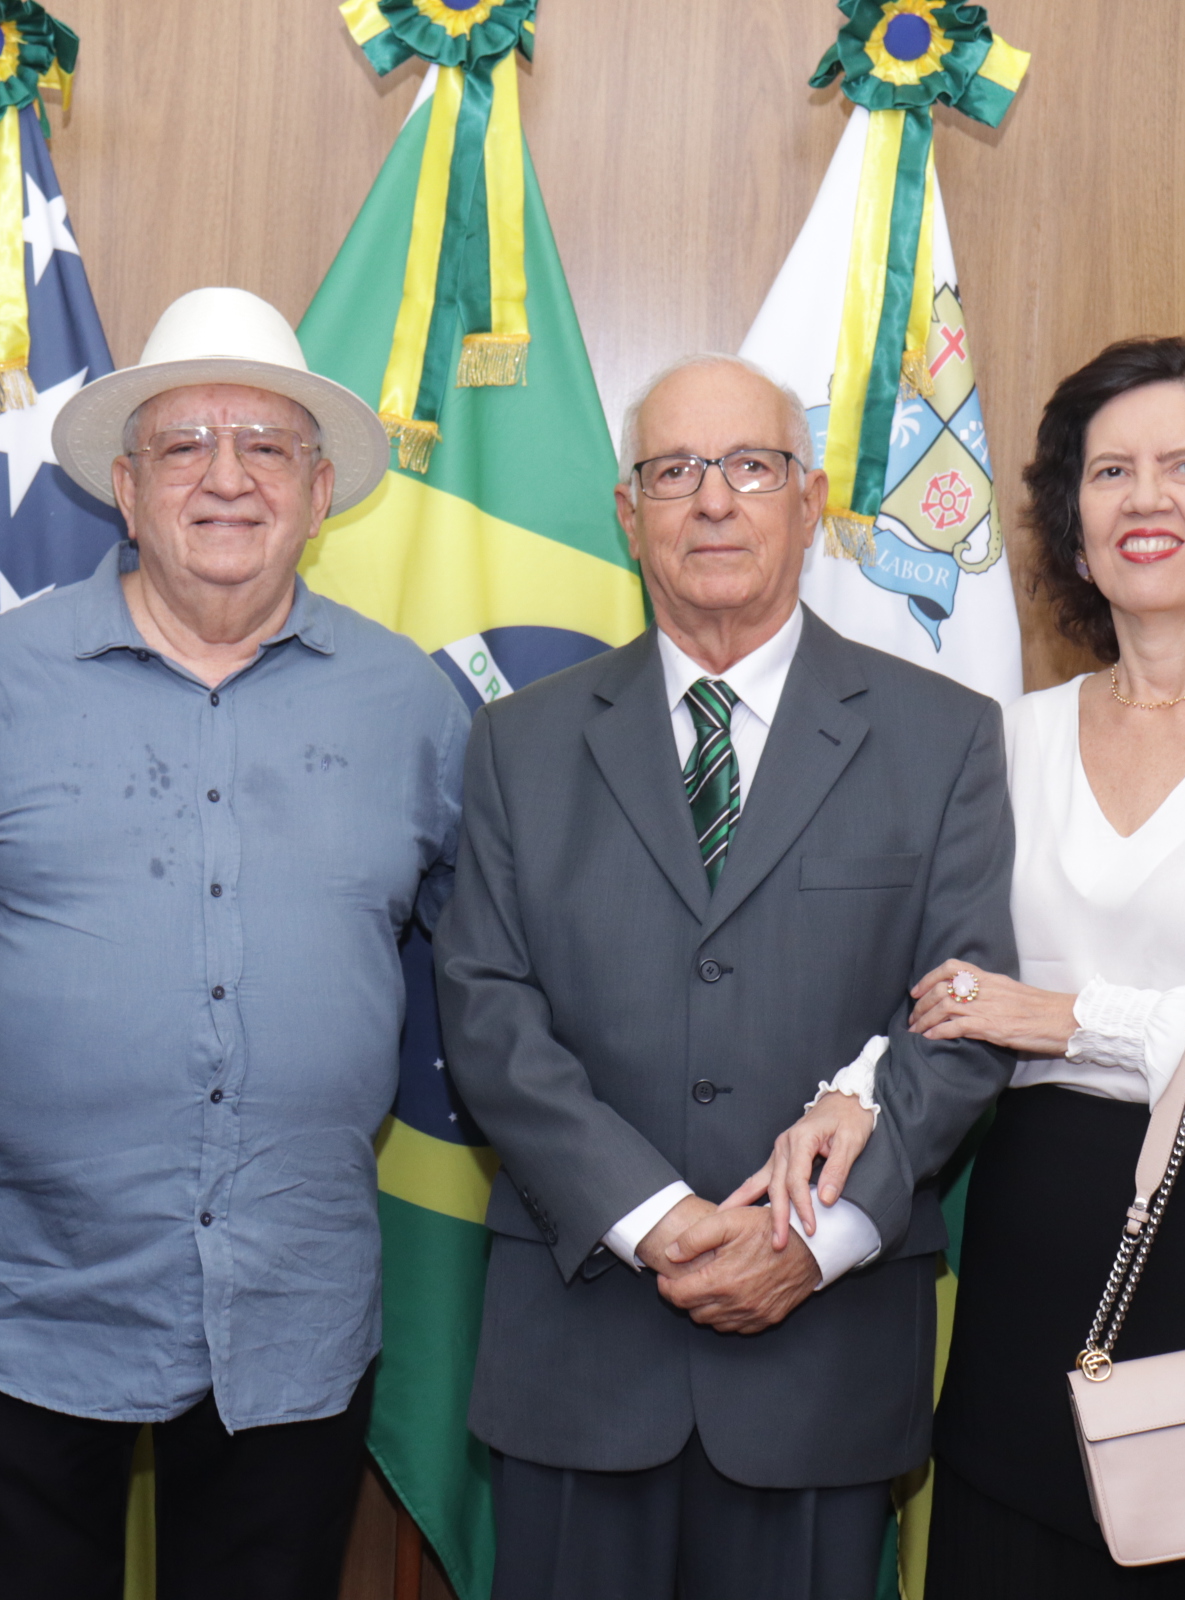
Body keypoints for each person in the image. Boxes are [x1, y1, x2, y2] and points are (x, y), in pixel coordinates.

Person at [766, 337, 1185, 1597]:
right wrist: (857, 1090)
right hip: (1030, 1254)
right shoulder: (1009, 741)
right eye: (1109, 470)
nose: (1146, 497)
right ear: (1073, 531)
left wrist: (1077, 1019)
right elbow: (939, 981)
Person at [0, 286, 466, 1600]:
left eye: (266, 446)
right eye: (185, 445)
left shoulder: (413, 706)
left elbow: (487, 968)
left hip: (295, 1308)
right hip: (34, 1298)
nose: (226, 478)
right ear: (125, 485)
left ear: (319, 493)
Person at [433, 353, 1019, 1599]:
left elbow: (963, 1020)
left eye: (751, 466)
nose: (712, 500)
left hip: (823, 1356)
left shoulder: (943, 736)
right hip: (581, 1347)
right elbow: (485, 1011)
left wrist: (817, 1241)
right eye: (674, 471)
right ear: (627, 510)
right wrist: (653, 1217)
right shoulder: (518, 741)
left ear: (810, 503)